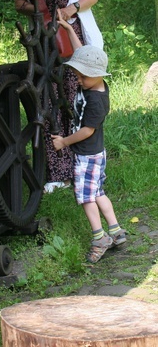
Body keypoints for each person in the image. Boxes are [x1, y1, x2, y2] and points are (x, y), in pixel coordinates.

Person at [12, 0, 103, 193]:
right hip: (43, 40)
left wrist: (70, 9)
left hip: (71, 37)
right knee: (47, 99)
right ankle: (56, 172)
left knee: (73, 98)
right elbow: (18, 2)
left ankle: (83, 165)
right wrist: (39, 11)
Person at [52, 18, 126, 263]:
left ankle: (99, 237)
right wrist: (69, 29)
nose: (78, 80)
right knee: (97, 192)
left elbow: (86, 131)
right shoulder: (93, 84)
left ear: (96, 75)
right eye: (78, 74)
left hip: (87, 153)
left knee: (85, 196)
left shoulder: (96, 101)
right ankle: (116, 231)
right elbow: (81, 53)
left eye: (83, 76)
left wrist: (64, 142)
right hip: (95, 153)